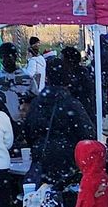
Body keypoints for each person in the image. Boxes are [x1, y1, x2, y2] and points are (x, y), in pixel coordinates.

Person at [24, 57, 96, 187]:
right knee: (66, 197)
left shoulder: (36, 103)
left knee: (44, 198)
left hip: (41, 156)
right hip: (67, 159)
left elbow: (28, 131)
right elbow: (88, 133)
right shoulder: (71, 103)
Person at [0, 42, 34, 123]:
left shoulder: (26, 77)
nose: (4, 60)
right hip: (1, 123)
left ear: (15, 57)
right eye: (2, 57)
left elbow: (34, 100)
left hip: (21, 123)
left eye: (8, 56)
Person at [61, 46, 97, 122]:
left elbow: (84, 91)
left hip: (80, 111)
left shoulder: (78, 73)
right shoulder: (76, 72)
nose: (61, 62)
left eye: (63, 59)